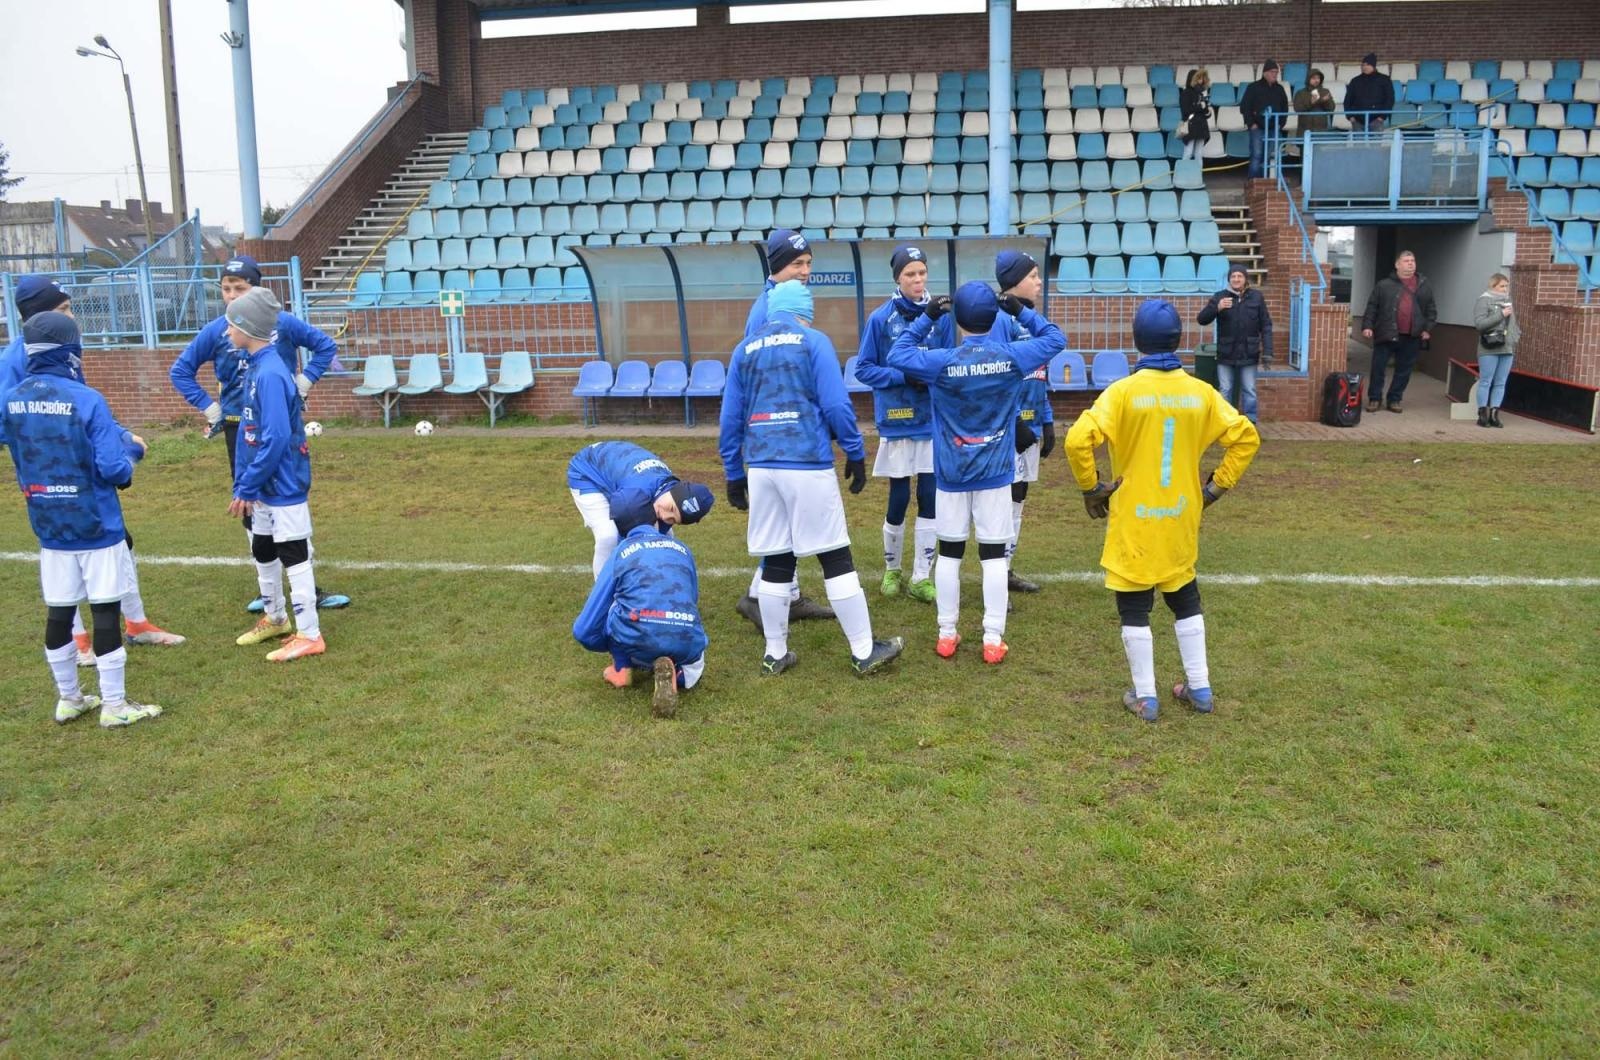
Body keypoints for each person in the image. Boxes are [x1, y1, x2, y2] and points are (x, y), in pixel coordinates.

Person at [1064, 300, 1261, 722]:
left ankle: (1147, 696)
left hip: (1135, 515)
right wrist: (1215, 487)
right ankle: (1200, 687)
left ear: (1137, 342)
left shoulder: (1122, 393)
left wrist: (1091, 487)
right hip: (1181, 514)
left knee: (1134, 604)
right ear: (1179, 340)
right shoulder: (1201, 393)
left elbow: (1077, 440)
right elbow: (1246, 438)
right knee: (1184, 593)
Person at [718, 279, 902, 677]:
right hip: (806, 463)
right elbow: (836, 404)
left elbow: (730, 417)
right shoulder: (813, 340)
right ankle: (864, 651)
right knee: (835, 555)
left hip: (763, 467)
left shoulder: (744, 349)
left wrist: (734, 472)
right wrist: (853, 451)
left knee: (777, 560)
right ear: (805, 310)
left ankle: (774, 653)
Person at [2, 275, 184, 662]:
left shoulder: (63, 351)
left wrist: (120, 435)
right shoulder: (18, 360)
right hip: (57, 480)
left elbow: (85, 406)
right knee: (71, 559)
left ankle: (136, 624)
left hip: (89, 472)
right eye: (64, 309)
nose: (73, 315)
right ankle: (81, 641)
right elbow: (12, 422)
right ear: (39, 315)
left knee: (120, 542)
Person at [888, 281, 1066, 664]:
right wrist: (1020, 310)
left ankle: (947, 634)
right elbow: (1055, 338)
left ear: (958, 318)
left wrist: (928, 315)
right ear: (995, 315)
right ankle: (991, 638)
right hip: (996, 473)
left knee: (950, 555)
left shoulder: (943, 361)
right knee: (993, 557)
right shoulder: (1012, 356)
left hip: (951, 474)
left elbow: (897, 352)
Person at [2, 311, 163, 727]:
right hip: (95, 522)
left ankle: (70, 698)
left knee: (59, 612)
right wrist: (132, 451)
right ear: (70, 351)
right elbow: (116, 472)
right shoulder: (86, 398)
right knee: (106, 611)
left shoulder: (11, 398)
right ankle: (114, 705)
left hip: (49, 525)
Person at [168, 255, 349, 613]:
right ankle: (269, 589)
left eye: (240, 288)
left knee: (288, 499)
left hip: (281, 427)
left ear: (257, 291)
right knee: (250, 501)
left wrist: (304, 382)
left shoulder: (281, 325)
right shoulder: (219, 330)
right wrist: (211, 409)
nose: (232, 296)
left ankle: (307, 584)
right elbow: (181, 371)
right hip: (239, 428)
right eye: (226, 289)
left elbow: (326, 347)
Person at [732, 229, 833, 628]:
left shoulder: (781, 301)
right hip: (776, 435)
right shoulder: (766, 310)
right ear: (777, 268)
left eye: (808, 263)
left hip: (778, 435)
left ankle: (785, 594)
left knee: (788, 522)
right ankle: (759, 596)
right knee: (781, 524)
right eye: (797, 264)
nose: (806, 271)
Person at [226, 287, 327, 662]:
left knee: (291, 551)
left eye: (231, 323)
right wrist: (244, 481)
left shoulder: (269, 372)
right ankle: (276, 618)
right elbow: (249, 437)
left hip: (281, 481)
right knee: (263, 547)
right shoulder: (255, 366)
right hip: (261, 482)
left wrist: (248, 483)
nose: (226, 330)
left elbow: (277, 436)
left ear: (247, 328)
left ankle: (311, 634)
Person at [853, 244, 951, 602]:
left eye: (922, 272)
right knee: (897, 499)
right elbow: (863, 368)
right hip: (896, 421)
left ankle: (921, 577)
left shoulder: (941, 316)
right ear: (898, 277)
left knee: (929, 496)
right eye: (910, 273)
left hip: (930, 422)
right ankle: (892, 571)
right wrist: (902, 377)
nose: (918, 279)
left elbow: (947, 362)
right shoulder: (880, 318)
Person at [573, 520, 708, 718]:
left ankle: (621, 669)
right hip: (685, 636)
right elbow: (693, 598)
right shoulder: (682, 548)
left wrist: (601, 641)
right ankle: (678, 675)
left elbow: (586, 628)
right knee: (692, 662)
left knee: (615, 609)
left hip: (636, 636)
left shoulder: (622, 549)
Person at [987, 250, 1053, 594]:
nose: (1039, 282)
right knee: (1003, 499)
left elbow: (1040, 372)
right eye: (1033, 276)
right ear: (1014, 281)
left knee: (1019, 497)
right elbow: (994, 378)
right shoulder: (999, 320)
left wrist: (1049, 420)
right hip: (1009, 431)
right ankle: (996, 576)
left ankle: (1007, 570)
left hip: (1032, 425)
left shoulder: (1029, 316)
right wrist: (1014, 426)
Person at [566, 440, 714, 577]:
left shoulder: (669, 496)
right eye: (670, 508)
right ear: (671, 491)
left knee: (665, 537)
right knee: (608, 536)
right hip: (586, 471)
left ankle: (663, 581)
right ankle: (605, 594)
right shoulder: (635, 493)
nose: (664, 515)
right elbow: (629, 541)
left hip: (618, 468)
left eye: (673, 519)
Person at [1196, 263, 1273, 423]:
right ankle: (1225, 423)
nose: (1236, 279)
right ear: (1229, 279)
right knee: (1225, 390)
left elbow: (1266, 325)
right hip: (1226, 353)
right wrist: (1217, 308)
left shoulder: (1257, 297)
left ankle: (1250, 423)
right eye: (1233, 276)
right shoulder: (1220, 297)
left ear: (1245, 279)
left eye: (1240, 276)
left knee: (1249, 390)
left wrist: (1268, 352)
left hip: (1249, 352)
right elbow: (1202, 319)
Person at [1361, 250, 1437, 413]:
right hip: (1386, 333)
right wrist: (1367, 326)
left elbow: (1431, 309)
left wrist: (1427, 328)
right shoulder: (1384, 285)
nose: (1410, 263)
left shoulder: (1424, 284)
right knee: (1378, 368)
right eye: (1406, 260)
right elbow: (1372, 306)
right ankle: (1374, 398)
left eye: (1413, 260)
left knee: (1404, 370)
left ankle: (1394, 399)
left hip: (1412, 335)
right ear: (1397, 265)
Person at [1473, 272, 1518, 428]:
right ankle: (1482, 415)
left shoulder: (1508, 301)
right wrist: (1501, 314)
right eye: (1502, 286)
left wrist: (1513, 338)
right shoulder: (1483, 300)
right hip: (1489, 347)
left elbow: (1513, 324)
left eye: (1506, 286)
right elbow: (1480, 324)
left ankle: (1494, 414)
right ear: (1493, 286)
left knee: (1500, 382)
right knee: (1486, 381)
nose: (1505, 289)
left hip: (1506, 347)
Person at [1240, 60, 1289, 179]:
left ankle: (1264, 185)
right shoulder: (1253, 87)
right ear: (1265, 73)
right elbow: (1245, 107)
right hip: (1257, 128)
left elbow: (1285, 108)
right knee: (1257, 156)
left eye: (1276, 72)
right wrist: (1251, 124)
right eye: (1272, 72)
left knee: (1268, 157)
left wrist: (1280, 124)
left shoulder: (1280, 89)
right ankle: (1252, 186)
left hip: (1273, 128)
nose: (1275, 74)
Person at [1344, 53, 1395, 132]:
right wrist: (1350, 117)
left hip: (1377, 121)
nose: (1364, 67)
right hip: (1357, 121)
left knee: (1375, 143)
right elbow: (1347, 100)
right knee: (1359, 144)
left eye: (1367, 64)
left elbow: (1390, 99)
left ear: (1373, 66)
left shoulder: (1384, 80)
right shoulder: (1355, 81)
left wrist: (1382, 117)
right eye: (1363, 65)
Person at [1178, 68, 1214, 161]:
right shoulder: (1185, 93)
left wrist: (1207, 111)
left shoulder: (1201, 94)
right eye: (1199, 78)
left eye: (1202, 78)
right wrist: (1200, 107)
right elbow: (1185, 111)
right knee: (1188, 152)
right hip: (1191, 127)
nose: (1201, 81)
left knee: (1199, 153)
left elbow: (1206, 114)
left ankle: (1198, 175)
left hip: (1201, 127)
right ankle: (1183, 174)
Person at [1294, 68, 1336, 133]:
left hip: (1321, 130)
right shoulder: (1300, 93)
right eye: (1313, 78)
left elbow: (1331, 108)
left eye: (1318, 78)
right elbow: (1297, 109)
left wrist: (1325, 101)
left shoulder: (1325, 91)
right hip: (1304, 130)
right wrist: (1311, 103)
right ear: (1308, 79)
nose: (1316, 80)